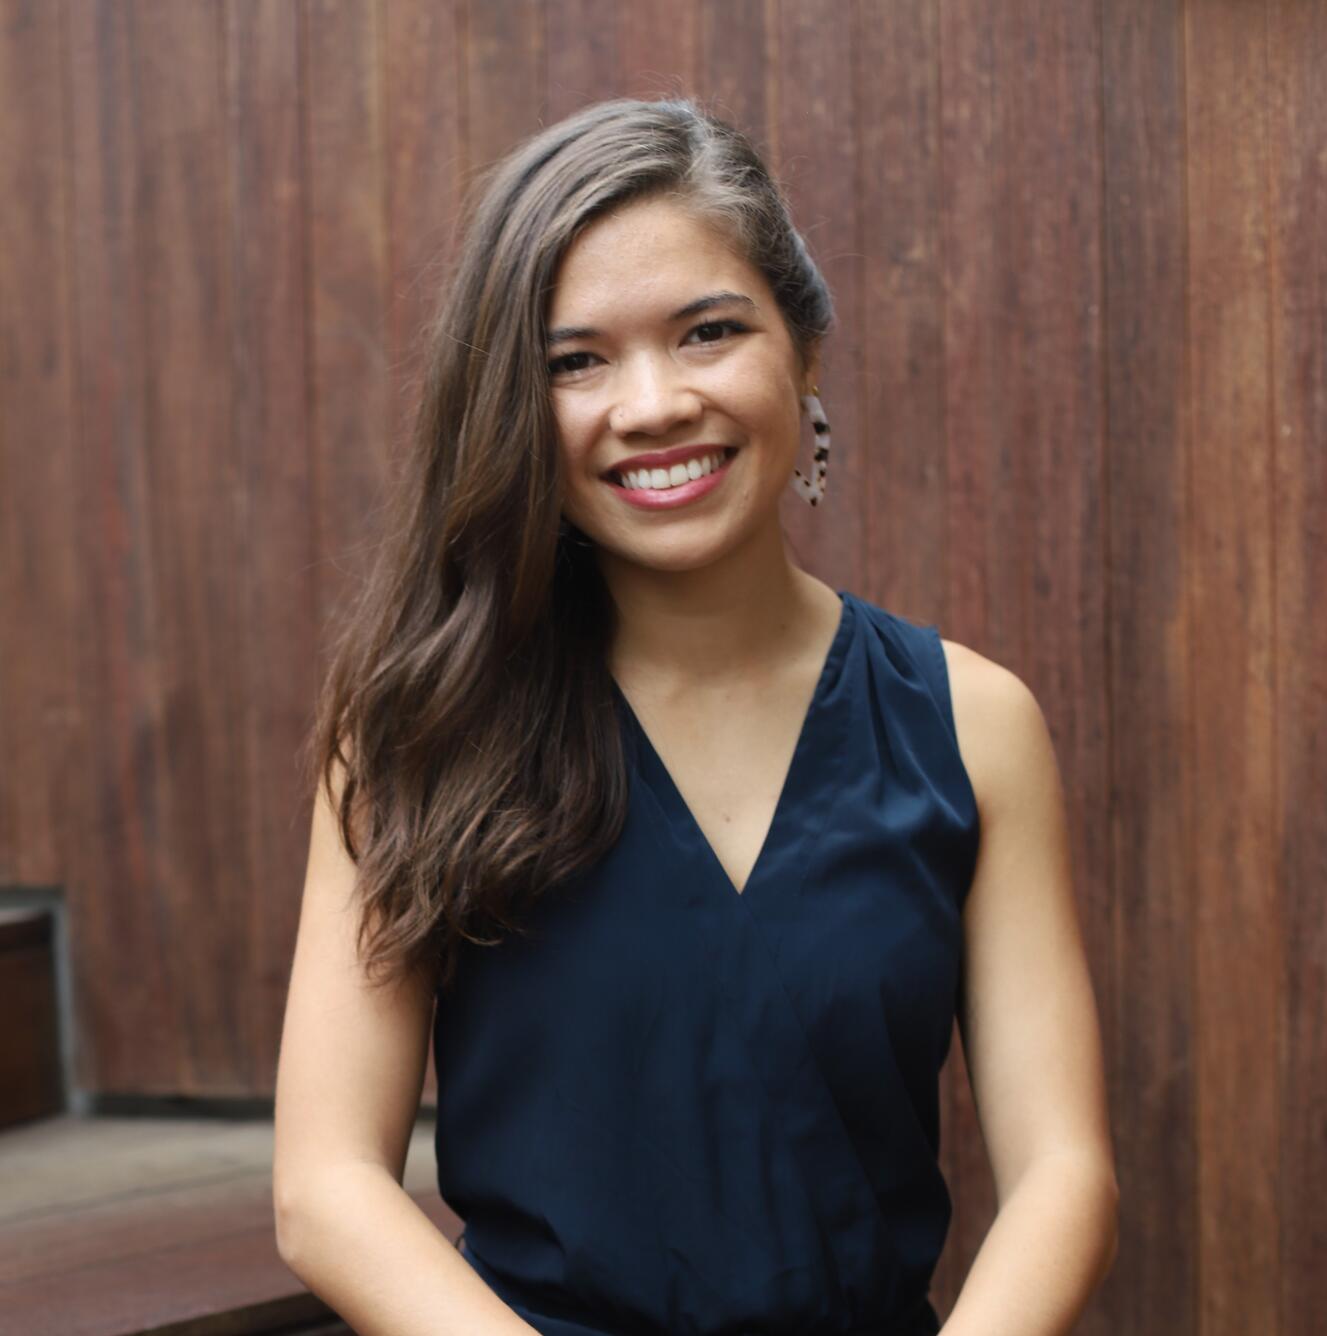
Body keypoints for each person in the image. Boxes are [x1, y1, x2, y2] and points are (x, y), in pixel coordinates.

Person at [272, 97, 1119, 1336]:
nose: (654, 403)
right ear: (513, 403)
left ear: (804, 351)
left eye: (708, 331)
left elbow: (1061, 1173)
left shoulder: (973, 725)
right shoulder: (417, 729)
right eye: (576, 361)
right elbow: (326, 1186)